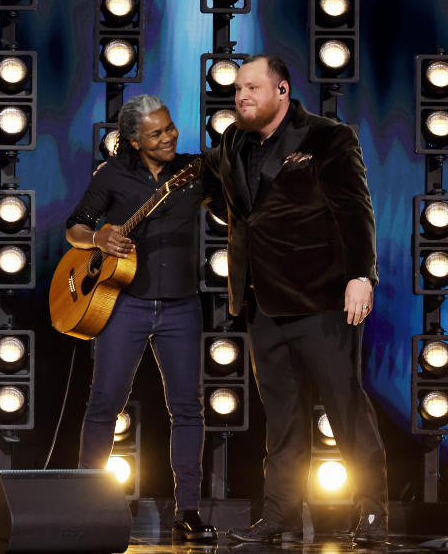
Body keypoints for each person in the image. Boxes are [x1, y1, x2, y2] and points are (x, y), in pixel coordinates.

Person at [203, 55, 388, 544]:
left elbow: (355, 209)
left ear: (282, 90)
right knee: (282, 419)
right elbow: (205, 181)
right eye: (238, 89)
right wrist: (136, 169)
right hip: (262, 302)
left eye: (252, 88)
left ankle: (371, 513)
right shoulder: (231, 141)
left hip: (322, 298)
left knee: (344, 408)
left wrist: (360, 276)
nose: (241, 97)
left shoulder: (328, 137)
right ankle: (280, 517)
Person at [65, 94, 215, 542]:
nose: (169, 137)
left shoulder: (193, 172)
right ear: (134, 139)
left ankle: (188, 511)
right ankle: (88, 509)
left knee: (188, 409)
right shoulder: (112, 175)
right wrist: (99, 236)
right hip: (123, 303)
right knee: (104, 404)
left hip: (181, 306)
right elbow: (74, 228)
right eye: (156, 133)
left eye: (170, 127)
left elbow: (233, 206)